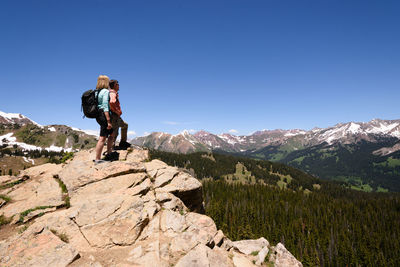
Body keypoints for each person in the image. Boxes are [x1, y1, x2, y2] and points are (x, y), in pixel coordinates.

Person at [94, 75, 114, 163]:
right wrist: (108, 121)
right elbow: (105, 106)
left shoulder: (96, 92)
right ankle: (98, 159)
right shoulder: (105, 91)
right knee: (102, 138)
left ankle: (109, 152)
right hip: (104, 115)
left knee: (112, 133)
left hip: (98, 115)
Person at [109, 79, 131, 149]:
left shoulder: (112, 92)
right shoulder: (112, 93)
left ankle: (122, 142)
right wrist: (116, 111)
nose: (119, 86)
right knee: (115, 133)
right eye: (117, 84)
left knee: (124, 125)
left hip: (116, 116)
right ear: (115, 85)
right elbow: (112, 102)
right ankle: (111, 150)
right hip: (114, 116)